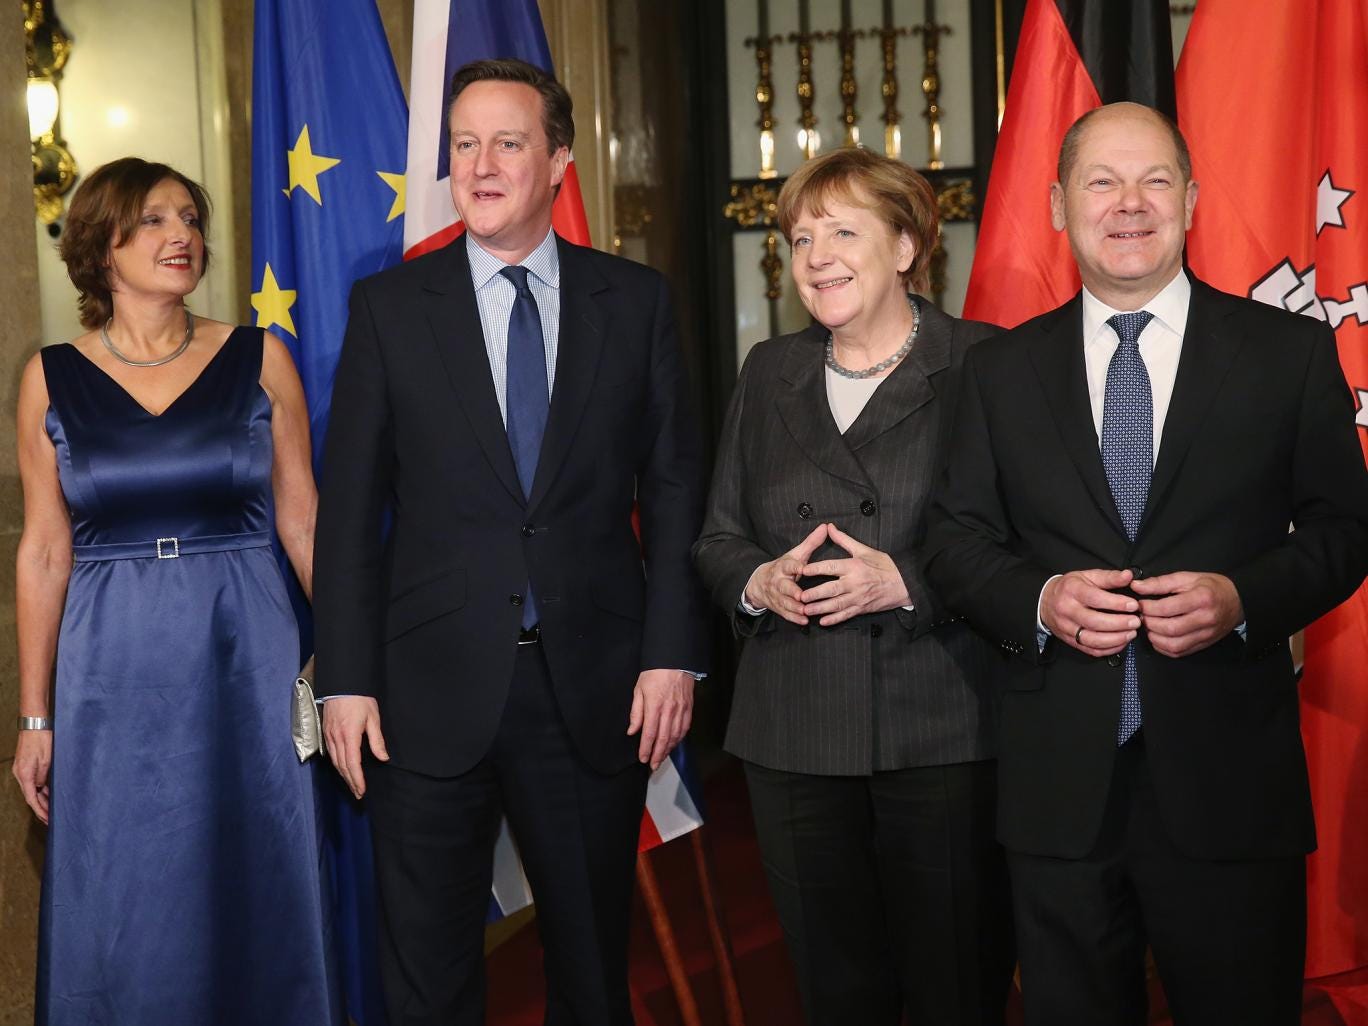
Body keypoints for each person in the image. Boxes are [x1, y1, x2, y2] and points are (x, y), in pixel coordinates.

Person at [924, 102, 1368, 1026]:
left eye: (1154, 179)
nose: (1130, 204)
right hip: (1058, 792)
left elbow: (1343, 528)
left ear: (1192, 199)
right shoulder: (997, 374)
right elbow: (955, 544)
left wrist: (1243, 597)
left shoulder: (1286, 351)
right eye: (1101, 181)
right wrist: (1040, 599)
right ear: (1056, 205)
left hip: (1230, 782)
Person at [313, 58, 708, 1026]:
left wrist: (672, 657)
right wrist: (347, 679)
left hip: (594, 688)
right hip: (423, 697)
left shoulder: (638, 302)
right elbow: (350, 513)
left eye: (508, 142)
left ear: (560, 159)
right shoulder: (390, 310)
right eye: (463, 145)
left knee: (589, 976)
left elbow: (673, 491)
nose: (480, 165)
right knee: (429, 984)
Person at [11, 158, 338, 1024]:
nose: (181, 235)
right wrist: (35, 719)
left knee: (257, 868)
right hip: (110, 665)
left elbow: (304, 522)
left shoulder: (260, 356)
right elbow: (45, 552)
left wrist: (350, 663)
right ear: (101, 243)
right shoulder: (48, 377)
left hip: (248, 647)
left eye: (190, 218)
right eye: (153, 219)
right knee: (126, 887)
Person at [692, 147, 1014, 1026]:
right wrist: (758, 581)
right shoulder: (769, 372)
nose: (817, 257)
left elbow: (1020, 547)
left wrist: (903, 581)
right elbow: (718, 536)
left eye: (843, 231)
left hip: (942, 722)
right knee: (836, 991)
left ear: (908, 245)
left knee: (957, 982)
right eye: (801, 239)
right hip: (795, 728)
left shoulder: (985, 364)